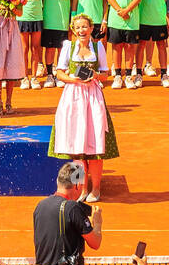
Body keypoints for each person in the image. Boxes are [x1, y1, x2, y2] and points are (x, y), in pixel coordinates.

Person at [49, 15, 119, 201]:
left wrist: (95, 75)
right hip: (73, 97)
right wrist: (75, 79)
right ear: (73, 30)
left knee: (94, 145)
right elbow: (60, 72)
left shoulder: (99, 47)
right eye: (78, 27)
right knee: (76, 147)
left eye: (85, 27)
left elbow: (105, 74)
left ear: (90, 28)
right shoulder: (68, 47)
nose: (82, 30)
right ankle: (81, 189)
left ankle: (96, 189)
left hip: (93, 98)